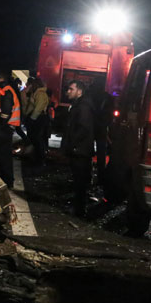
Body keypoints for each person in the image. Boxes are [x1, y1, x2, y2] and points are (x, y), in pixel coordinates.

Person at [61, 80, 95, 217]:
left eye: (71, 89)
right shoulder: (79, 104)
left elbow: (83, 128)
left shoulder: (83, 106)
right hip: (79, 149)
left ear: (79, 91)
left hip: (80, 150)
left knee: (80, 181)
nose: (68, 92)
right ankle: (78, 206)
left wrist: (73, 144)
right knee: (78, 180)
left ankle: (79, 210)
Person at [0, 70, 21, 187]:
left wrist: (0, 126)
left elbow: (5, 113)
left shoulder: (6, 92)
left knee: (4, 156)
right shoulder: (8, 90)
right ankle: (7, 180)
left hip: (6, 128)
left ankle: (8, 181)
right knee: (4, 156)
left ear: (0, 79)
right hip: (8, 127)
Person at [88, 81, 113, 186]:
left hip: (91, 126)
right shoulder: (108, 97)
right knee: (101, 153)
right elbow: (110, 113)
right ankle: (101, 176)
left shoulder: (89, 96)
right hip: (102, 127)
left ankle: (87, 174)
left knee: (87, 150)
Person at [26, 78, 49, 165]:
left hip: (39, 118)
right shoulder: (37, 93)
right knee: (36, 138)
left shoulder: (40, 94)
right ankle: (38, 157)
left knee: (37, 138)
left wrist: (31, 118)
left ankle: (40, 159)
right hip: (38, 118)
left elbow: (38, 108)